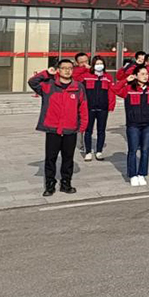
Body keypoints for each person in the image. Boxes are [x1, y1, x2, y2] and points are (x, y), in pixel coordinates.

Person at [28, 59, 88, 196]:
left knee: (68, 158)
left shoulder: (78, 87)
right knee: (50, 158)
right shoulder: (49, 85)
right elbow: (32, 82)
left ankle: (66, 183)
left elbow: (83, 107)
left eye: (70, 68)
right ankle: (50, 185)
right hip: (53, 129)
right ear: (58, 70)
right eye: (64, 68)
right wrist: (46, 73)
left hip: (70, 129)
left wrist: (83, 126)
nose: (67, 70)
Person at [113, 64, 149, 186]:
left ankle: (142, 174)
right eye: (142, 74)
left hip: (148, 125)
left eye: (147, 74)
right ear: (136, 75)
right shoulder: (129, 89)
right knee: (133, 150)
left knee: (145, 150)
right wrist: (125, 80)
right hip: (133, 125)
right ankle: (133, 175)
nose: (146, 76)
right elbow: (114, 89)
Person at [77, 55, 116, 161]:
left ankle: (99, 151)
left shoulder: (107, 77)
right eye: (97, 64)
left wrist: (111, 105)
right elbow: (75, 76)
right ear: (93, 65)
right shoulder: (86, 76)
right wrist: (84, 68)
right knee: (88, 130)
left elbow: (111, 92)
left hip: (103, 108)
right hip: (88, 108)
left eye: (101, 63)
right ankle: (88, 152)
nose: (99, 65)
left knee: (101, 130)